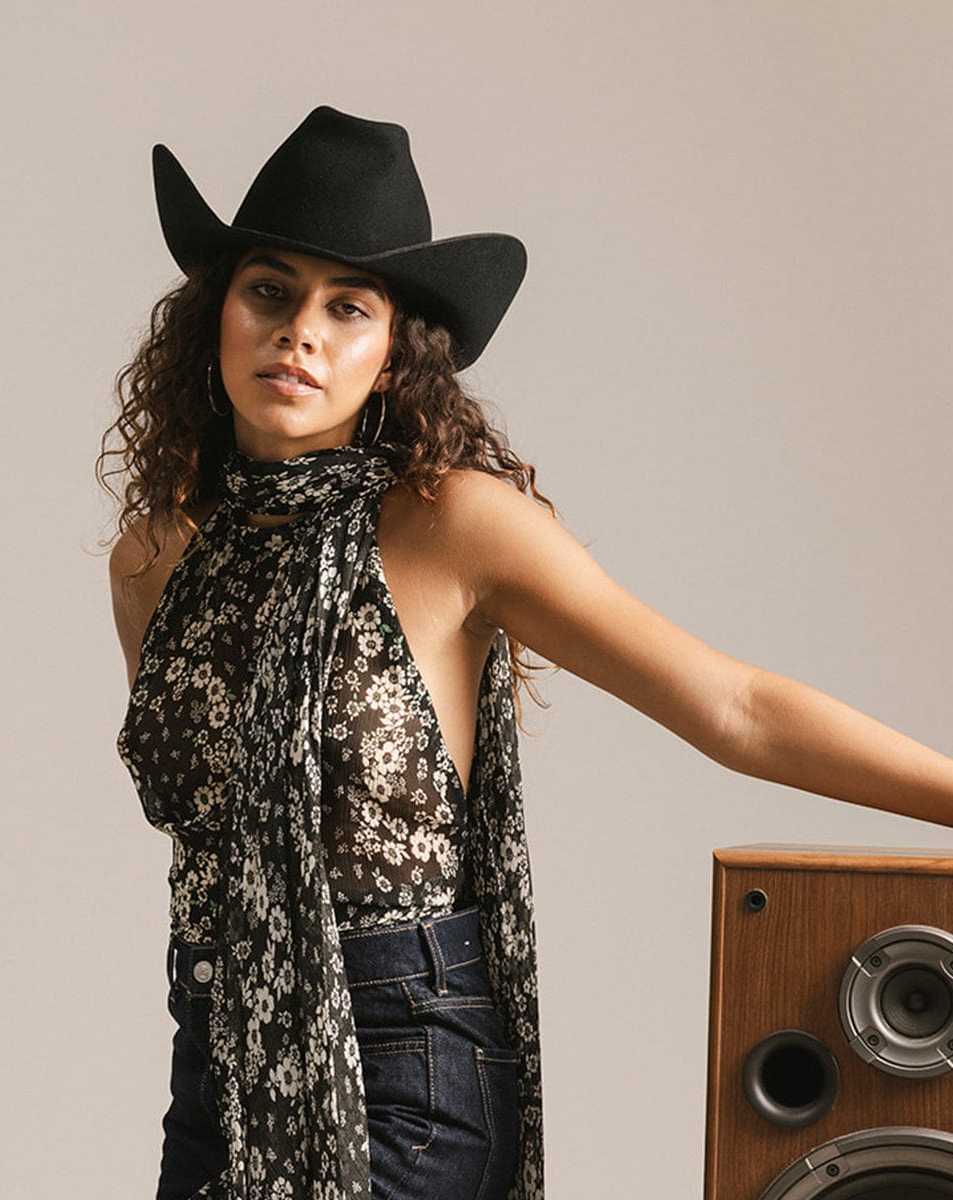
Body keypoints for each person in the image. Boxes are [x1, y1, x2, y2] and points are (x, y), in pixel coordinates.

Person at [100, 106, 953, 1200]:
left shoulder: (449, 524)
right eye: (269, 291)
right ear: (216, 313)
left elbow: (734, 707)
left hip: (405, 1054)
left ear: (391, 355)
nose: (299, 332)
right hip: (219, 1058)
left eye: (347, 307)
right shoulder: (156, 560)